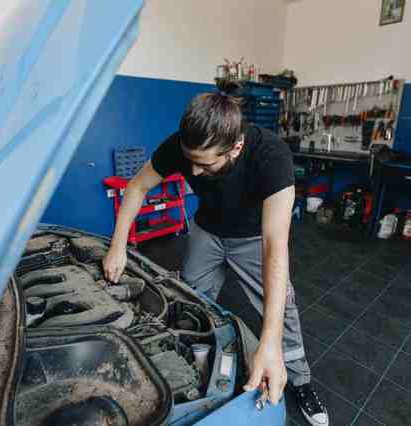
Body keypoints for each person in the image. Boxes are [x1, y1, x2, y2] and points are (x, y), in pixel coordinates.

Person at [103, 85, 329, 426]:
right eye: (190, 161)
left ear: (236, 147)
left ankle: (298, 381)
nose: (193, 173)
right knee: (191, 297)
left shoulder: (272, 156)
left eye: (204, 164)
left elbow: (274, 245)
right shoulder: (180, 145)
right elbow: (136, 187)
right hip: (207, 231)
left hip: (254, 237)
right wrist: (118, 246)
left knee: (281, 304)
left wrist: (268, 344)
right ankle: (193, 364)